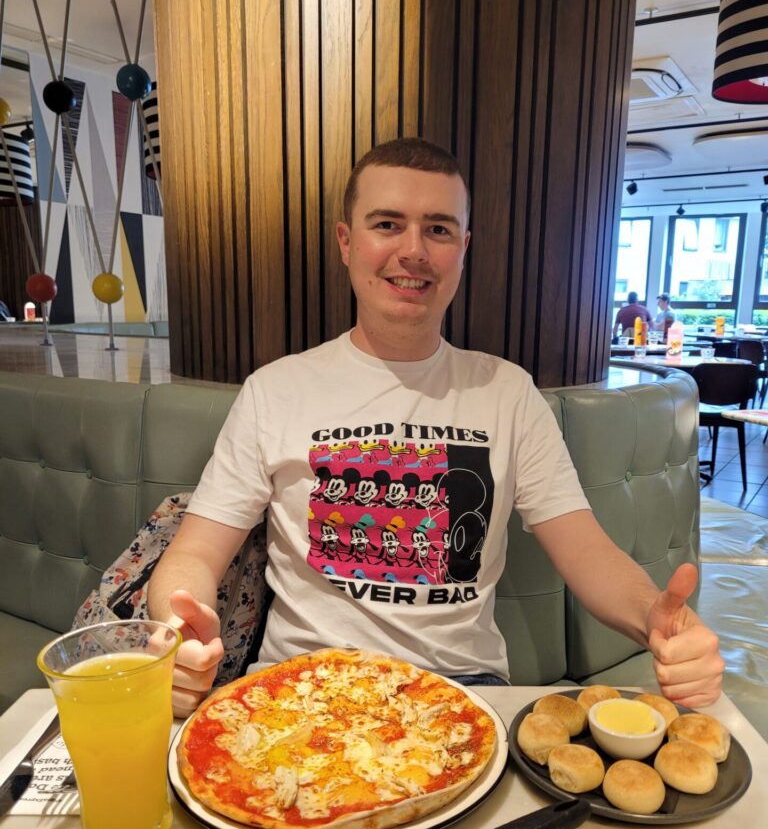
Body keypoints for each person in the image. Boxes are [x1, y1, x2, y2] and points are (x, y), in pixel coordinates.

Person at [148, 137, 723, 718]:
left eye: (439, 229)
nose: (413, 250)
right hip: (300, 690)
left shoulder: (508, 393)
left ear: (463, 248)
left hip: (463, 692)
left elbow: (588, 552)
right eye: (387, 224)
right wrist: (178, 627)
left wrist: (656, 619)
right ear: (346, 242)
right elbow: (194, 552)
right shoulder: (274, 390)